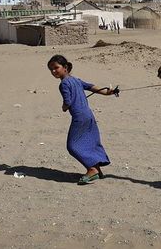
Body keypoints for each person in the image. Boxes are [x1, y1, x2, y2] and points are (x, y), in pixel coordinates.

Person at [47, 54, 114, 185]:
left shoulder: (64, 84)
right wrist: (107, 92)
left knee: (72, 146)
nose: (53, 71)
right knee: (90, 141)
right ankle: (97, 170)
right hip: (88, 115)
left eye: (56, 68)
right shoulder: (76, 80)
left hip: (79, 117)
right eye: (51, 69)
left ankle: (92, 169)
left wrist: (64, 107)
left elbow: (68, 101)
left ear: (65, 67)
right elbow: (91, 86)